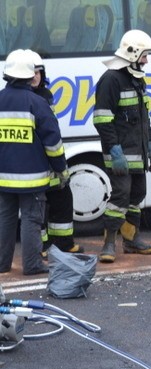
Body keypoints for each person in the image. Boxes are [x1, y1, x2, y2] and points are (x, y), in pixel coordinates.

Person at [93, 30, 151, 263]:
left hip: (137, 152)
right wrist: (114, 150)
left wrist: (150, 145)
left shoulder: (137, 78)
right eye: (144, 56)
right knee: (120, 196)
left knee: (137, 194)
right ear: (132, 54)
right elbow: (101, 119)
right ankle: (109, 243)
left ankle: (132, 241)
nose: (146, 61)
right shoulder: (111, 79)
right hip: (120, 152)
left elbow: (144, 118)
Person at [0, 49, 68, 276]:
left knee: (5, 219)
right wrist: (61, 169)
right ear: (30, 75)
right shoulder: (37, 103)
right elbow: (53, 143)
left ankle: (2, 263)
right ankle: (32, 265)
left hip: (2, 177)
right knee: (30, 220)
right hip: (32, 178)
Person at [29, 50, 84, 257]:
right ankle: (42, 247)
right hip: (36, 162)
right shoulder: (27, 98)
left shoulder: (45, 94)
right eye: (32, 72)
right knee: (38, 208)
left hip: (51, 161)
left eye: (39, 72)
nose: (35, 76)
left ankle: (63, 243)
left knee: (62, 198)